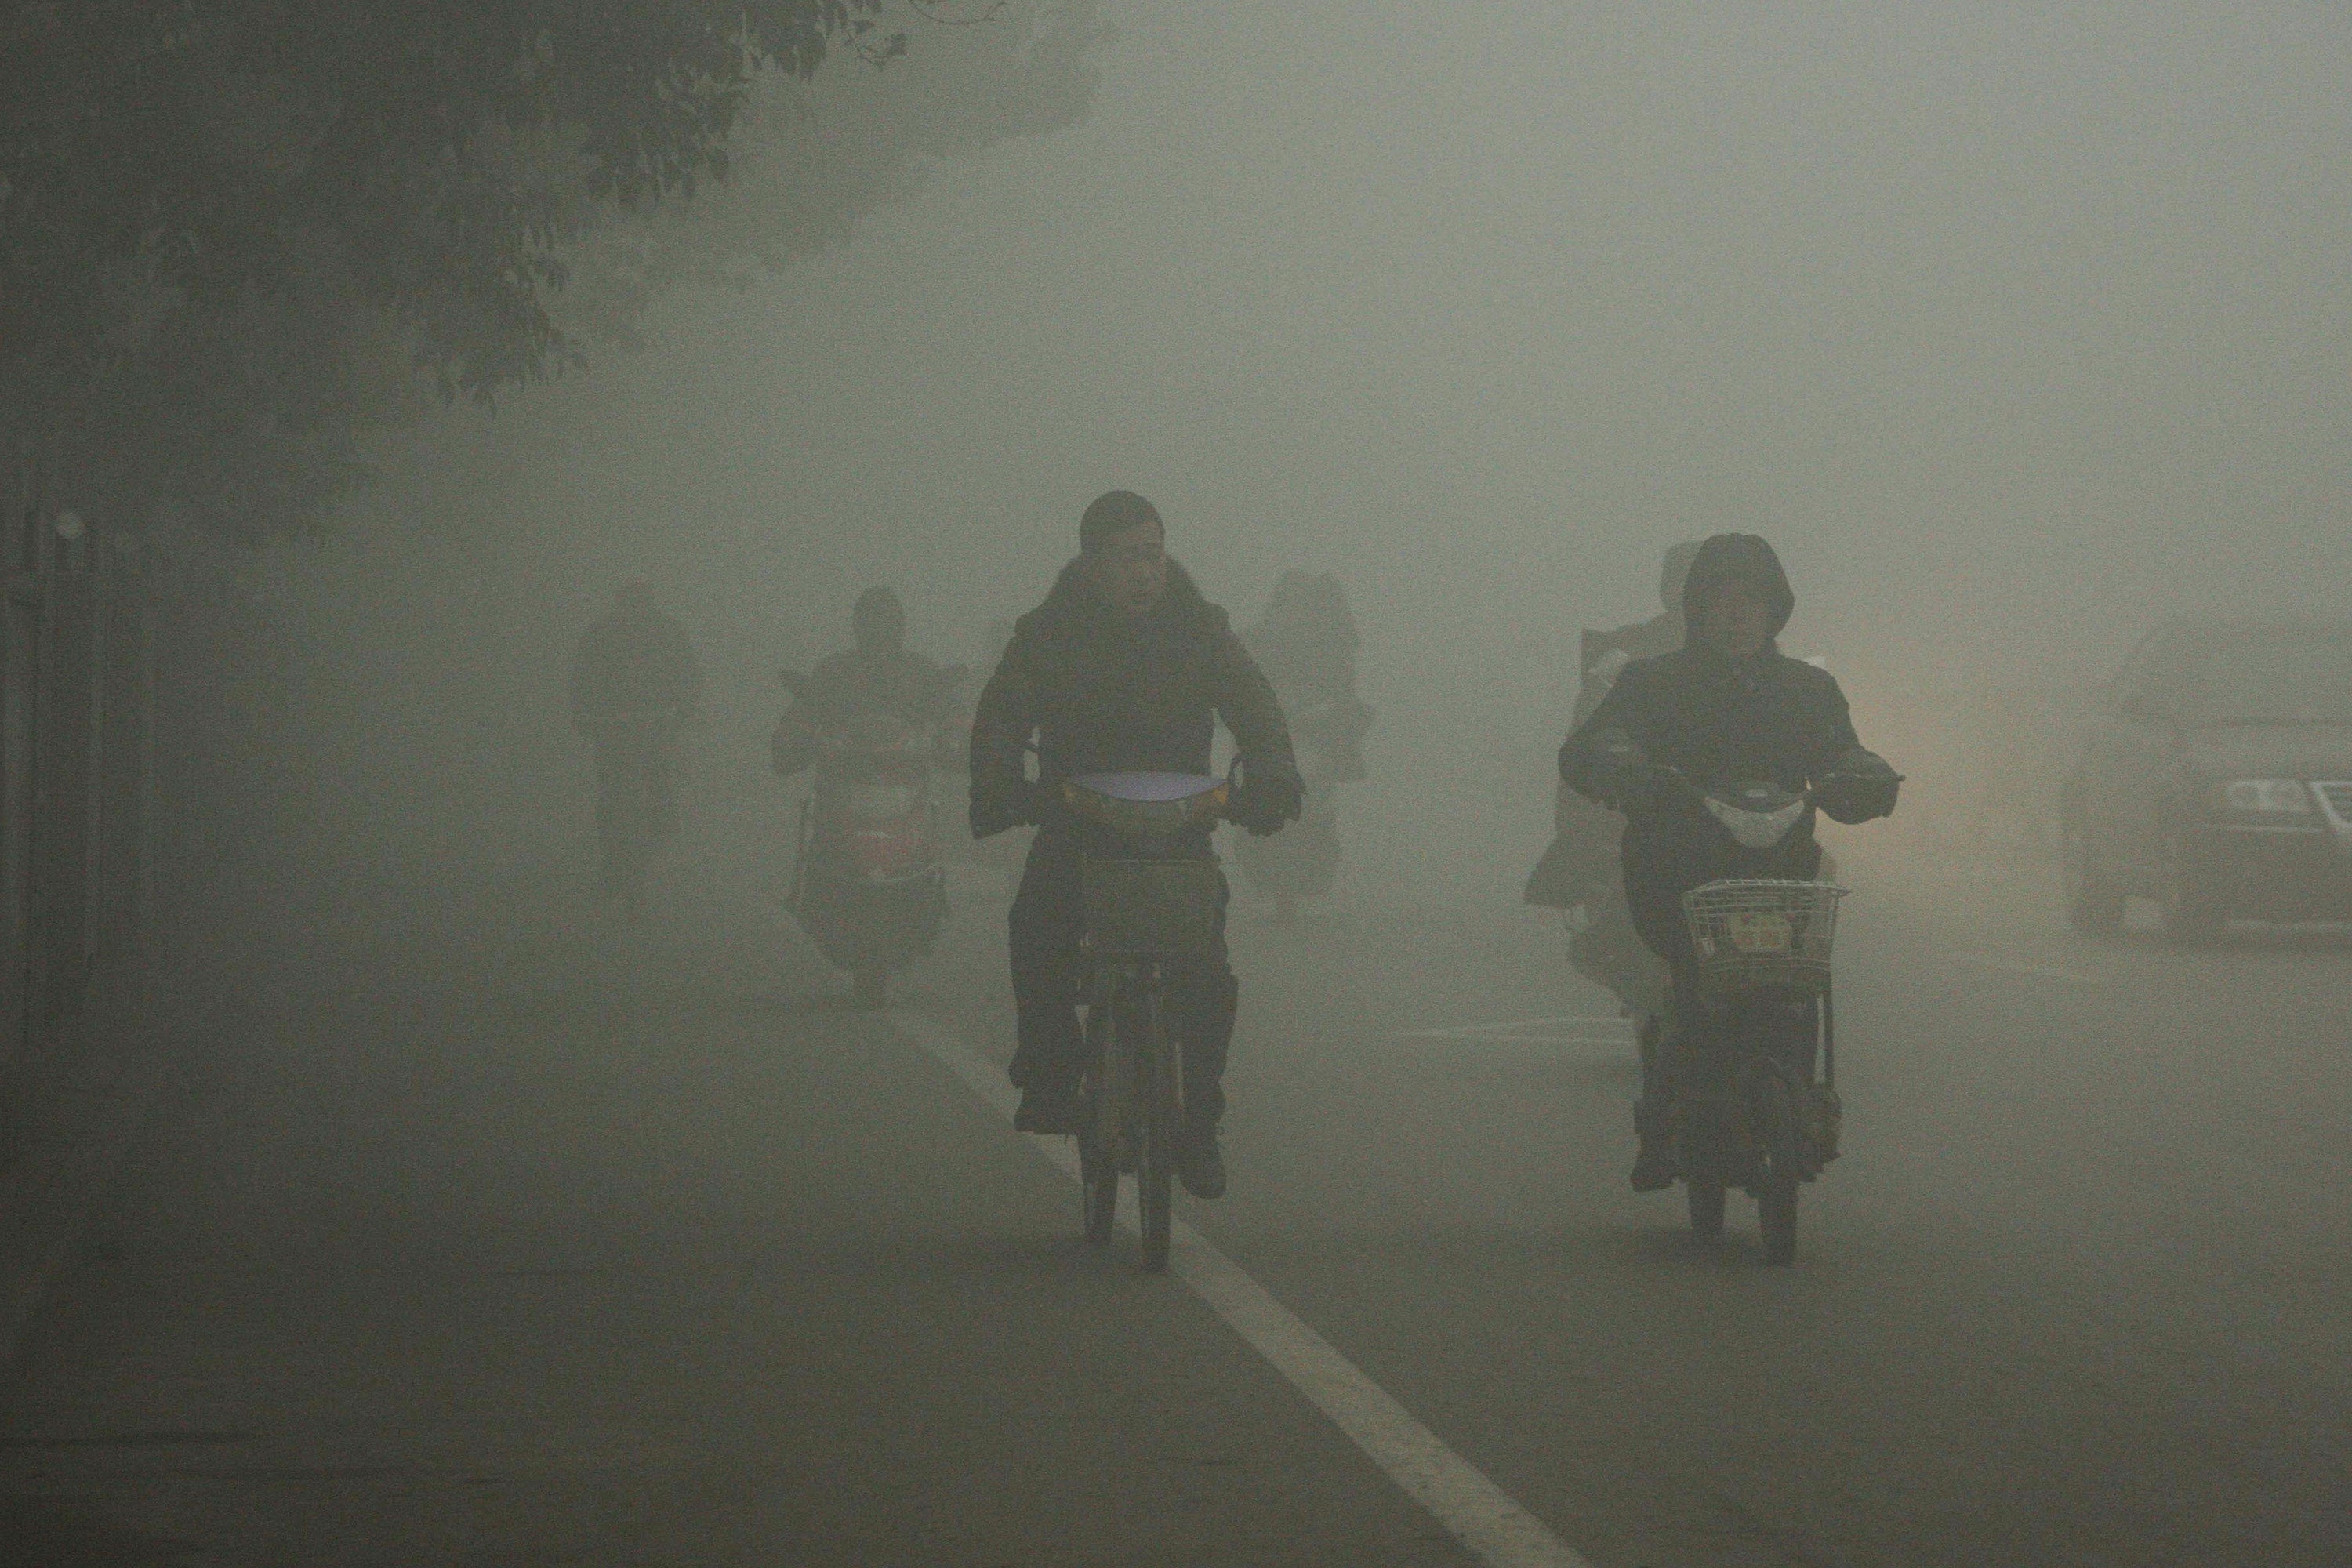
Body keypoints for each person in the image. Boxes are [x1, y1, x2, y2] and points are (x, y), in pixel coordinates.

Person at [969, 489, 1302, 1198]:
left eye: (1153, 556)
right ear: (1091, 564)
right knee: (1038, 929)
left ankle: (1199, 1124)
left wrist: (1272, 774)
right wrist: (1001, 785)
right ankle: (1053, 1077)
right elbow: (1003, 713)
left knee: (1207, 980)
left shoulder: (1202, 630)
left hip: (1179, 836)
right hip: (1078, 828)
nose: (1144, 573)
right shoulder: (1049, 632)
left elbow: (1254, 704)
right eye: (1127, 559)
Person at [1558, 535, 1898, 1190]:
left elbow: (1842, 752)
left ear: (1776, 610)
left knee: (1798, 991)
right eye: (1722, 600)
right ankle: (1671, 1105)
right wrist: (1629, 772)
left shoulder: (1810, 689)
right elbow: (1595, 743)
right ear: (1695, 610)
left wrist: (1864, 776)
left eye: (1753, 600)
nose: (1737, 614)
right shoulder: (1650, 683)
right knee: (1691, 980)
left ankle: (1804, 1099)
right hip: (1676, 872)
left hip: (1784, 875)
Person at [1524, 543, 1704, 1011]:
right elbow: (1587, 739)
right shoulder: (1627, 655)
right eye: (1687, 584)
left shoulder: (1767, 657)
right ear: (1666, 590)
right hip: (1647, 799)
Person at [1236, 570, 1374, 922]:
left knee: (1319, 800)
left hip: (1312, 735)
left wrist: (1346, 716)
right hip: (1268, 737)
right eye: (1296, 604)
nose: (1301, 613)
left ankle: (1307, 856)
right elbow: (1232, 683)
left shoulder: (1335, 647)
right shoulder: (1254, 642)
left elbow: (1346, 697)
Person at [568, 581, 703, 905]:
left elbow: (581, 678)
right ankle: (631, 857)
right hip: (639, 724)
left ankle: (627, 858)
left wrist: (583, 712)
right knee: (633, 790)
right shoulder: (665, 631)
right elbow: (689, 675)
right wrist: (685, 707)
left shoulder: (603, 632)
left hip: (628, 725)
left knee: (624, 790)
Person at [771, 586, 967, 776]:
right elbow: (800, 719)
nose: (880, 631)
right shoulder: (832, 672)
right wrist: (796, 740)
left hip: (910, 788)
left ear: (899, 626)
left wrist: (957, 737)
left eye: (886, 622)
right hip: (839, 788)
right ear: (857, 626)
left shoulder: (922, 672)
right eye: (872, 623)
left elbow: (954, 719)